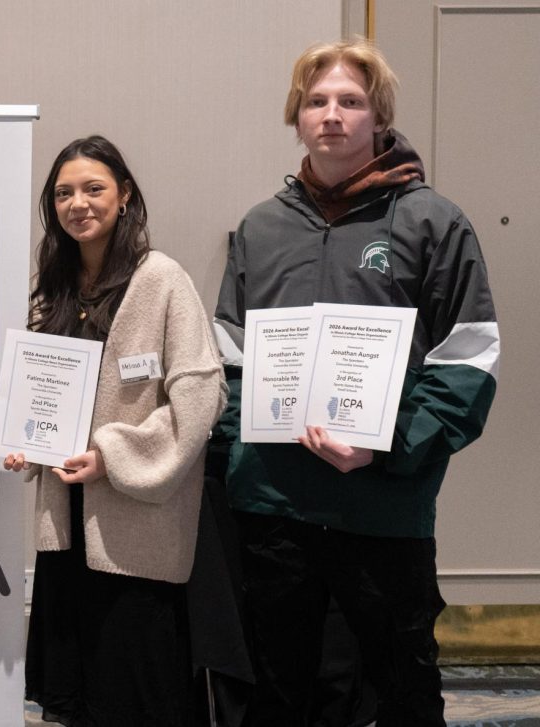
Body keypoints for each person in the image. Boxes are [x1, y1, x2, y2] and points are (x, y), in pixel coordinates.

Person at [212, 38, 499, 726]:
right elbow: (229, 356)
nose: (332, 115)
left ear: (379, 117)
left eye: (350, 101)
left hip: (382, 506)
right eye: (317, 101)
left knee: (401, 690)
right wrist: (234, 468)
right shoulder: (259, 228)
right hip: (273, 508)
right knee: (279, 693)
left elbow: (469, 357)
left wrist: (390, 447)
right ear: (297, 116)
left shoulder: (435, 221)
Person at [4, 135, 227, 725]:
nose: (78, 203)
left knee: (137, 694)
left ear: (124, 195)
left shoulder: (163, 280)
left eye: (94, 188)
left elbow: (202, 395)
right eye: (63, 193)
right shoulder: (53, 288)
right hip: (66, 528)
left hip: (138, 533)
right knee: (75, 696)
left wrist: (112, 454)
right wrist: (28, 441)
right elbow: (45, 393)